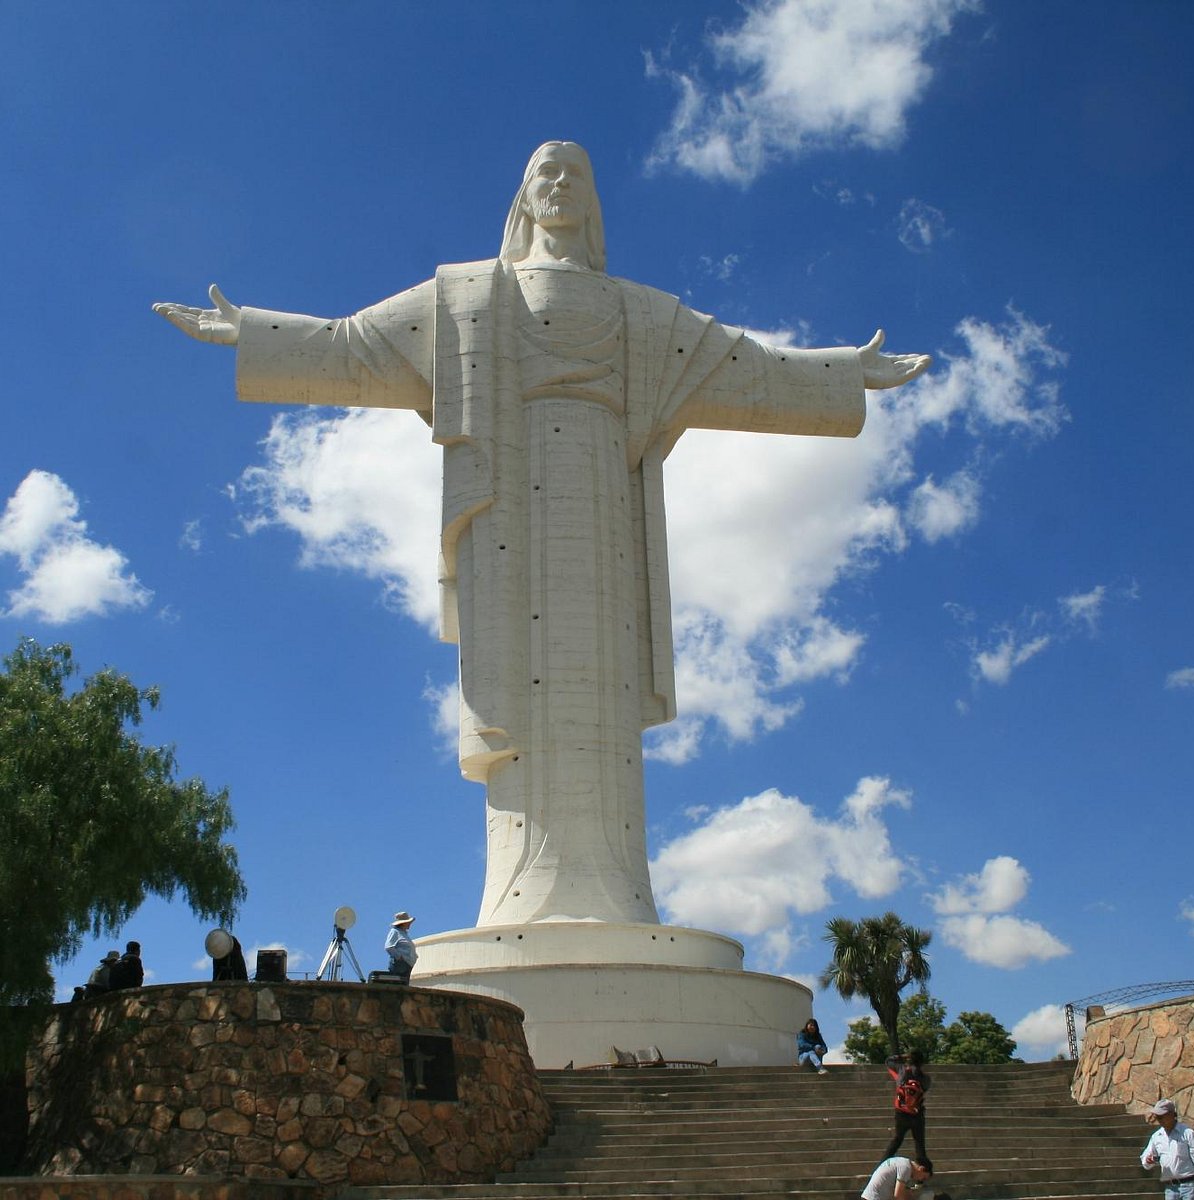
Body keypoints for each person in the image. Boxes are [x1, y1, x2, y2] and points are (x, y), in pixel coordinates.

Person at [154, 141, 930, 931]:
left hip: (602, 504)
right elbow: (354, 344)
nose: (559, 185)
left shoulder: (642, 311)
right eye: (543, 175)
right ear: (524, 198)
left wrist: (842, 372)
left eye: (575, 175)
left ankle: (618, 894)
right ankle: (519, 894)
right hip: (509, 511)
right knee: (521, 704)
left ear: (592, 202)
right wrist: (251, 332)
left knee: (600, 696)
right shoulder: (469, 294)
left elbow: (749, 364)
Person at [1141, 1099, 1194, 1200]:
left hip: (1190, 1185)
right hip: (1170, 1188)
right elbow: (1146, 1160)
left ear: (1172, 1114)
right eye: (1157, 1116)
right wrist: (1148, 1160)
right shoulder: (1157, 1137)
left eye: (1161, 1116)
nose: (1159, 1119)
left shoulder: (1187, 1133)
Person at [883, 1049, 931, 1160]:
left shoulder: (903, 1071)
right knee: (919, 1144)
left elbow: (888, 1061)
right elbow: (925, 1089)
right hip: (917, 1113)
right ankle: (922, 1171)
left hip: (901, 1112)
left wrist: (902, 1057)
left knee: (897, 1140)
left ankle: (882, 1164)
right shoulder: (925, 1078)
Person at [861, 1155, 934, 1199]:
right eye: (923, 1178)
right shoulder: (906, 1168)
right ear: (921, 1169)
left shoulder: (901, 1162)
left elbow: (903, 1192)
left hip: (869, 1195)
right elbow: (898, 1196)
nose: (920, 1180)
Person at [384, 911, 418, 983]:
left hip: (407, 964)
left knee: (403, 984)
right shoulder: (395, 931)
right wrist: (399, 957)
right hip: (400, 964)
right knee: (397, 983)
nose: (410, 924)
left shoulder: (403, 933)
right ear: (404, 923)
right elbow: (388, 947)